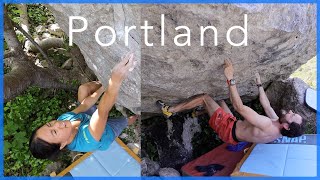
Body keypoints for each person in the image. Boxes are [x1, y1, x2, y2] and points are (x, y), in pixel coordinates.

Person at [157, 59, 306, 144]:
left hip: (228, 129)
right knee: (221, 102)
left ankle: (170, 111)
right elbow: (266, 105)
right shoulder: (278, 127)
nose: (291, 111)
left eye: (293, 115)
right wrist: (259, 84)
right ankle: (198, 113)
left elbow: (239, 107)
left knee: (205, 97)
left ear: (287, 126)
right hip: (233, 130)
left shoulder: (267, 125)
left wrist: (230, 78)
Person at [29, 53, 138, 160]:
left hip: (87, 118)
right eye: (55, 132)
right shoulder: (87, 140)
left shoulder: (63, 120)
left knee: (83, 89)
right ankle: (136, 117)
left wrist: (104, 86)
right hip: (106, 132)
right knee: (126, 120)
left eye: (50, 124)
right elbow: (102, 112)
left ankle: (101, 81)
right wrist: (115, 81)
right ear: (62, 145)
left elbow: (85, 105)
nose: (57, 124)